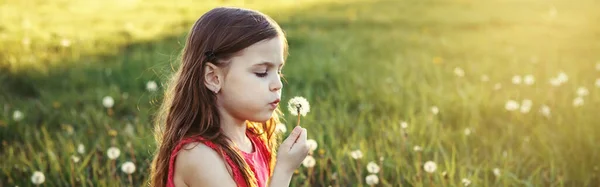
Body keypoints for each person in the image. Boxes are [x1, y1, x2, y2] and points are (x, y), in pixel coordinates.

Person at [148, 6, 310, 187]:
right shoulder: (199, 156)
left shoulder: (254, 139)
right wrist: (284, 170)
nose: (278, 84)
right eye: (262, 72)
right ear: (213, 78)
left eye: (278, 71)